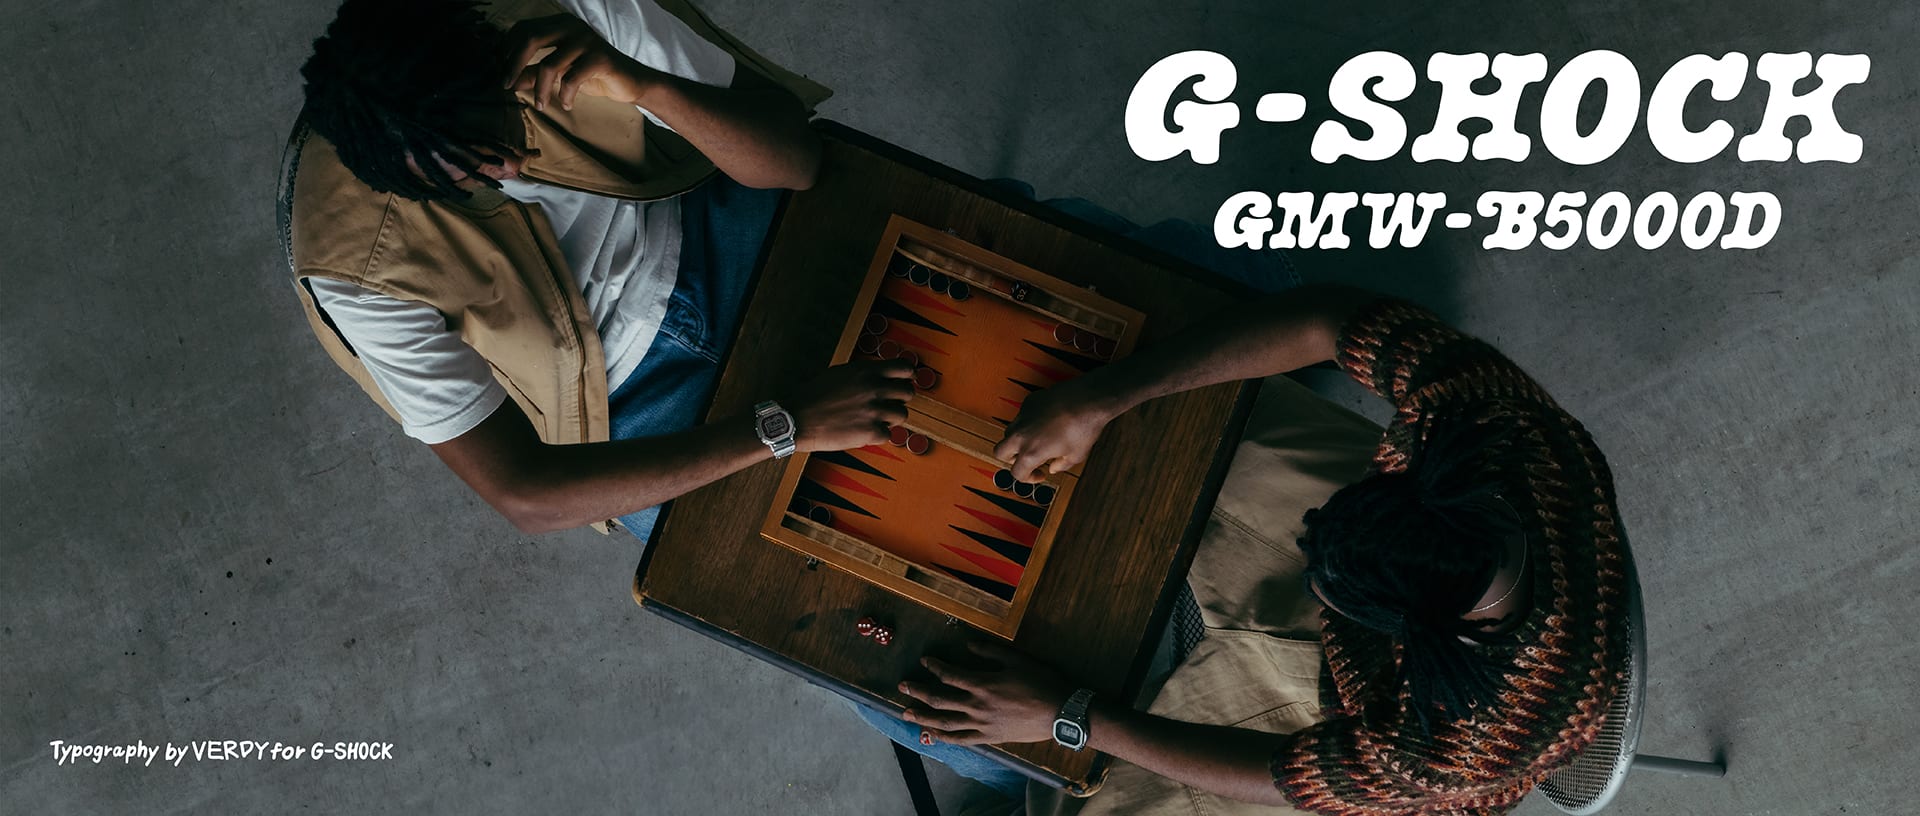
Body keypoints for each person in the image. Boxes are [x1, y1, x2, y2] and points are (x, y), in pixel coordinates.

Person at [897, 285, 1632, 815]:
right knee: (1171, 419)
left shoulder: (1461, 746)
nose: (1309, 583)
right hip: (1425, 630)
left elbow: (1287, 777)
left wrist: (1068, 714)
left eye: (1325, 591)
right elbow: (1328, 319)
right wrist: (1108, 396)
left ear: (1408, 630)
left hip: (1372, 745)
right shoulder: (1497, 427)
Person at [289, 0, 914, 542]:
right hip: (629, 404)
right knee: (844, 551)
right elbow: (526, 497)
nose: (510, 168)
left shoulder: (557, 13)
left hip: (710, 215)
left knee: (959, 292)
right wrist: (781, 427)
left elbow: (796, 161)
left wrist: (642, 84)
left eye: (501, 131)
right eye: (469, 175)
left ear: (489, 55)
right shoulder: (352, 270)